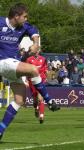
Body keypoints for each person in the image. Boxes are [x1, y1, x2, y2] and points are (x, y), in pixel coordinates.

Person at [0, 3, 60, 140]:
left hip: (13, 65)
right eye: (24, 16)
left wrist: (35, 43)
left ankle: (1, 129)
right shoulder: (1, 22)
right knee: (33, 69)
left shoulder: (24, 26)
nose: (26, 19)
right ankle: (49, 101)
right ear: (16, 16)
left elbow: (34, 31)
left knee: (19, 101)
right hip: (3, 62)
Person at [26, 48, 48, 124]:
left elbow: (45, 69)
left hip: (41, 80)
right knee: (35, 100)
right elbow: (26, 70)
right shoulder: (29, 59)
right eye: (35, 50)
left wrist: (45, 77)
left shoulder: (43, 59)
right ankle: (36, 108)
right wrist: (26, 79)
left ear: (39, 51)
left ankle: (41, 116)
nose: (36, 52)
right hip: (32, 81)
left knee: (40, 98)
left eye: (37, 50)